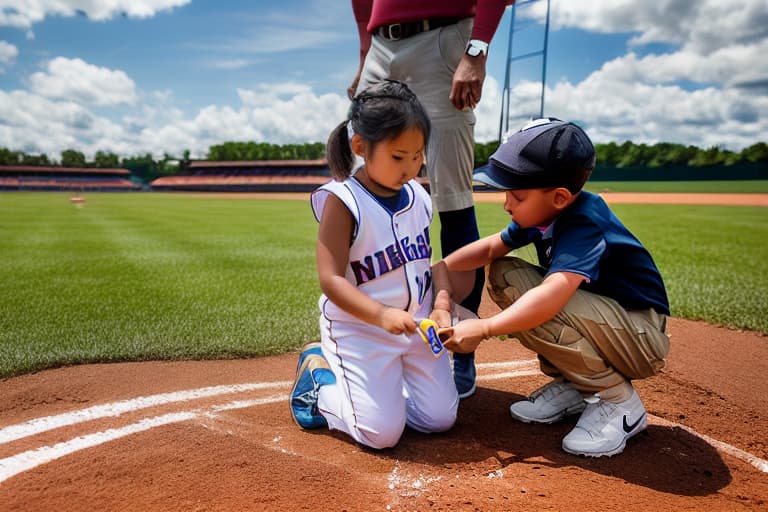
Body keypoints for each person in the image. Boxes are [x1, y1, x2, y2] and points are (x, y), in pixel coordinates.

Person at [432, 118, 671, 457]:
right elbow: (490, 249)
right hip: (611, 324)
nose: (506, 204)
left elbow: (554, 293)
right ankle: (578, 385)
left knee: (537, 300)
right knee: (505, 273)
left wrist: (484, 328)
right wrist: (442, 266)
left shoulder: (583, 220)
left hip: (641, 336)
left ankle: (620, 404)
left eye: (516, 195)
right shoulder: (543, 215)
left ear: (559, 197)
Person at [349, 0, 512, 399]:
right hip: (380, 47)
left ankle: (460, 347)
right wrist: (365, 54)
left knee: (454, 201)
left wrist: (477, 50)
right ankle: (370, 336)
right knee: (366, 196)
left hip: (442, 38)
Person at [289, 80, 459, 450]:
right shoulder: (343, 199)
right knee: (379, 434)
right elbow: (331, 280)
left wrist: (443, 304)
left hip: (416, 327)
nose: (411, 167)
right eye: (399, 156)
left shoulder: (418, 195)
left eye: (418, 155)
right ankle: (318, 383)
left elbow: (431, 264)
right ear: (360, 146)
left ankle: (380, 390)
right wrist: (380, 314)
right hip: (361, 329)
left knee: (440, 419)